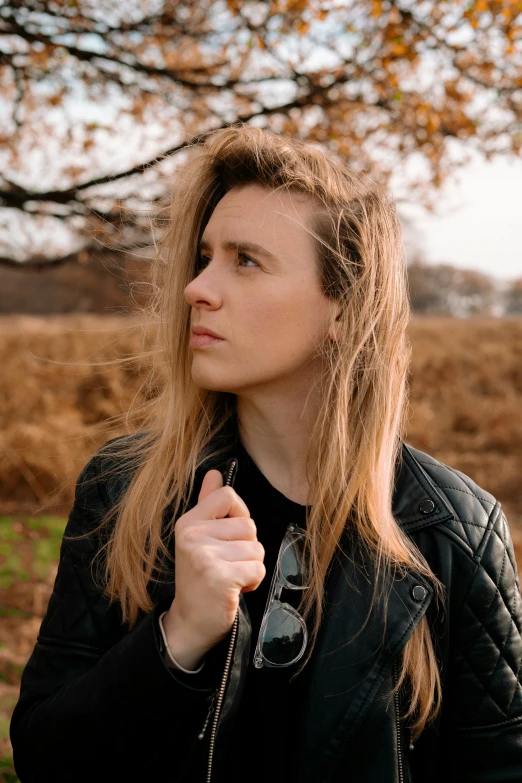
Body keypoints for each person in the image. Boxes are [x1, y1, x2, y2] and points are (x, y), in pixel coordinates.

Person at [10, 125, 522, 783]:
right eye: (204, 256)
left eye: (245, 260)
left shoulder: (456, 531)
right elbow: (45, 758)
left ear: (342, 308)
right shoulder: (124, 490)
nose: (198, 287)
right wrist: (177, 638)